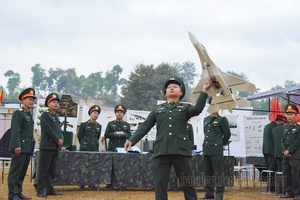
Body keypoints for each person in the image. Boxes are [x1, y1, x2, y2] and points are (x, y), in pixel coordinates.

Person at [124, 76, 212, 200]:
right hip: (161, 152)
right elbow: (145, 126)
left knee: (188, 184)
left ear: (181, 92)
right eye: (169, 87)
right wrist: (132, 140)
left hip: (180, 151)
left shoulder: (185, 108)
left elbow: (197, 109)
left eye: (175, 87)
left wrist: (205, 91)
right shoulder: (157, 110)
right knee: (160, 185)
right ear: (165, 93)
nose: (171, 88)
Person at [200, 97, 231, 200]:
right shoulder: (206, 119)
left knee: (218, 173)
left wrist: (220, 143)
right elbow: (206, 134)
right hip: (207, 149)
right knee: (207, 173)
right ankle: (209, 193)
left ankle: (219, 195)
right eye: (212, 103)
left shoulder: (222, 119)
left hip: (216, 150)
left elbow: (227, 134)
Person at [7, 88, 36, 200]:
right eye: (29, 99)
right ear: (23, 100)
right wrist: (16, 145)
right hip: (19, 148)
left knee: (22, 172)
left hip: (26, 148)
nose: (32, 101)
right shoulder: (19, 114)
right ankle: (12, 194)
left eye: (33, 100)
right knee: (15, 172)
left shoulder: (28, 115)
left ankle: (18, 192)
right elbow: (15, 131)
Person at [36, 93, 64, 198]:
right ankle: (40, 191)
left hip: (55, 147)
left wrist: (62, 139)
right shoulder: (45, 115)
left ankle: (50, 189)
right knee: (43, 170)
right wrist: (57, 140)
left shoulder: (55, 117)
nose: (56, 104)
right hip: (47, 146)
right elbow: (48, 130)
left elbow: (59, 130)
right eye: (54, 102)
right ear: (48, 103)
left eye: (57, 103)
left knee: (52, 170)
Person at [104, 104, 131, 188]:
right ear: (115, 113)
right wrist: (114, 134)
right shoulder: (110, 123)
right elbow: (106, 134)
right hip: (112, 146)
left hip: (122, 147)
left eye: (121, 112)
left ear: (124, 114)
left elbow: (130, 136)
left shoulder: (126, 125)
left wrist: (124, 134)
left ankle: (121, 182)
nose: (119, 114)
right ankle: (109, 182)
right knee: (110, 165)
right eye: (118, 112)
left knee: (122, 164)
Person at [77, 105, 102, 189]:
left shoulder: (99, 126)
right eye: (94, 113)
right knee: (84, 165)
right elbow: (80, 136)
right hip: (85, 148)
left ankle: (92, 182)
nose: (96, 115)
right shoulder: (84, 124)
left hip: (94, 147)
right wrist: (84, 144)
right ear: (90, 114)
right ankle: (82, 182)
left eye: (97, 113)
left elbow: (97, 137)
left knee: (93, 165)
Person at [280, 104, 300, 199]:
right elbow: (282, 141)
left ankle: (297, 193)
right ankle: (289, 192)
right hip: (285, 156)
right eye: (288, 114)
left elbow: (298, 141)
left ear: (296, 115)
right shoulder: (284, 127)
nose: (289, 116)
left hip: (295, 156)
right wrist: (284, 151)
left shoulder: (299, 127)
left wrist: (289, 150)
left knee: (295, 176)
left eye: (291, 114)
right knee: (286, 174)